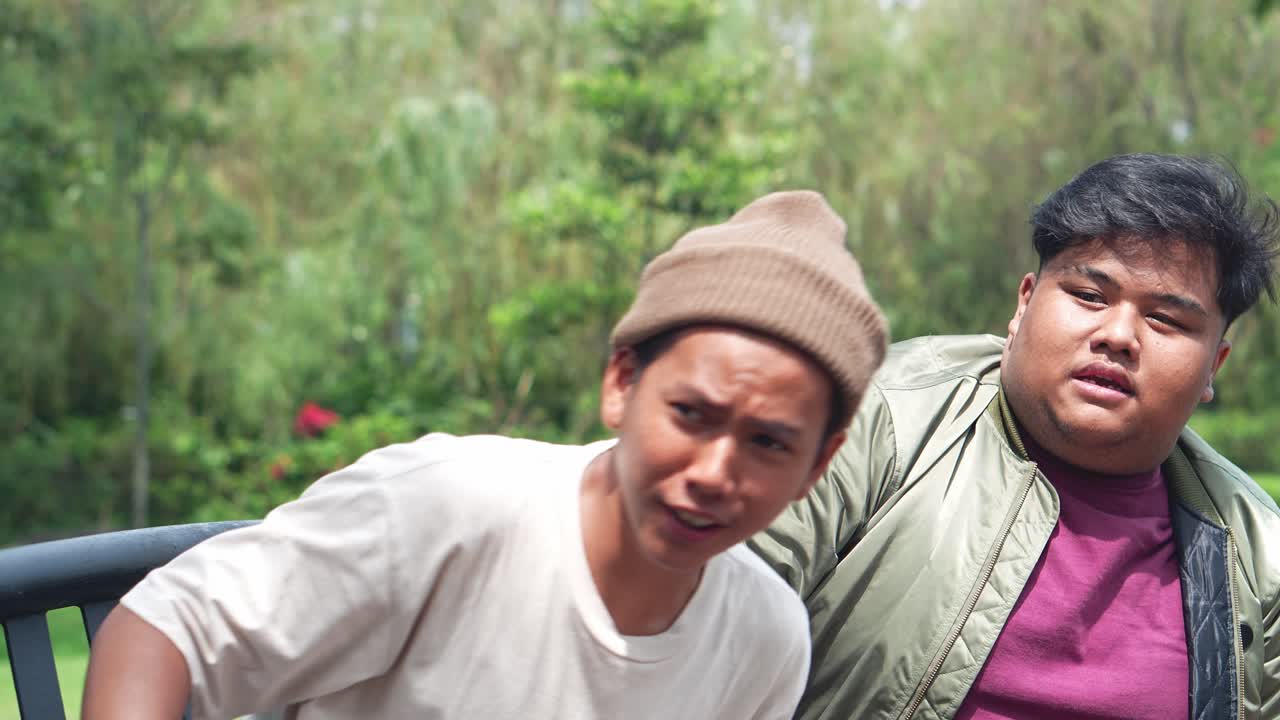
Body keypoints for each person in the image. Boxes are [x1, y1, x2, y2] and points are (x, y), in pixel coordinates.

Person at [82, 190, 890, 720]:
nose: (715, 471)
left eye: (769, 443)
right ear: (621, 383)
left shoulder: (765, 635)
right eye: (690, 414)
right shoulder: (448, 506)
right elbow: (165, 624)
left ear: (818, 466)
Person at [750, 153, 1280, 719]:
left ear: (1213, 367)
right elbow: (702, 605)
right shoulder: (877, 421)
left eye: (1166, 321)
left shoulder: (1255, 553)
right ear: (1024, 302)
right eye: (1089, 295)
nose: (1119, 335)